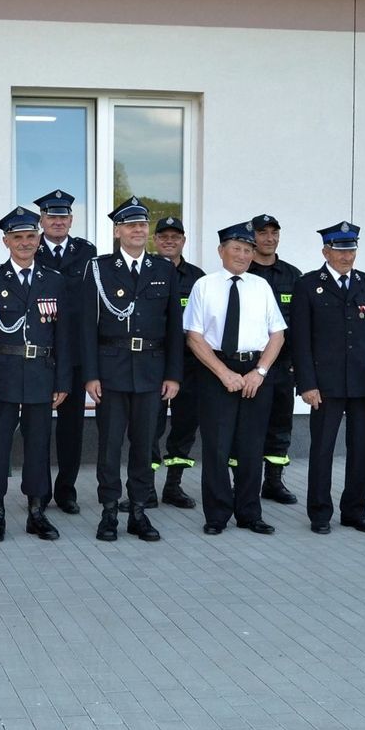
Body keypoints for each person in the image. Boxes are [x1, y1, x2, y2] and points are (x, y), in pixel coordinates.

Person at [81, 197, 183, 542]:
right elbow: (87, 327)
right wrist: (91, 375)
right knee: (109, 446)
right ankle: (109, 511)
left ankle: (138, 510)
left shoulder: (164, 270)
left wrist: (173, 374)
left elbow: (173, 328)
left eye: (142, 225)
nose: (138, 230)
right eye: (131, 225)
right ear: (117, 231)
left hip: (152, 372)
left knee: (144, 446)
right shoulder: (98, 268)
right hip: (111, 370)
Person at [0, 207, 71, 543]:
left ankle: (36, 511)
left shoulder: (54, 281)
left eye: (30, 236)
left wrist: (63, 381)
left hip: (42, 374)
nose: (25, 243)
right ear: (5, 241)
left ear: (39, 239)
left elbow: (63, 337)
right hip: (3, 375)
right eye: (18, 238)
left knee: (39, 445)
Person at [184, 221, 286, 536]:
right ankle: (216, 515)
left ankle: (249, 513)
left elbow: (278, 335)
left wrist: (260, 372)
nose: (242, 255)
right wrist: (224, 372)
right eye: (236, 249)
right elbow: (194, 336)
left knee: (251, 447)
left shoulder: (261, 286)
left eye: (247, 250)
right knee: (216, 446)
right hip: (216, 370)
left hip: (255, 371)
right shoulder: (204, 285)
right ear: (221, 251)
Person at [291, 221, 365, 534]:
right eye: (339, 250)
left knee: (361, 449)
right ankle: (320, 513)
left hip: (362, 381)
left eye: (351, 250)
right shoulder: (308, 284)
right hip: (325, 384)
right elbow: (300, 340)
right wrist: (307, 384)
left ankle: (355, 511)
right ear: (326, 251)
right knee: (322, 449)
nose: (346, 257)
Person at [34, 189, 96, 515]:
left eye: (63, 216)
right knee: (39, 426)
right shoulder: (30, 248)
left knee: (72, 427)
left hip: (73, 355)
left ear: (71, 220)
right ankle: (40, 491)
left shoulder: (87, 252)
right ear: (42, 220)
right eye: (51, 216)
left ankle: (67, 490)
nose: (58, 221)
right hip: (41, 354)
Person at [148, 216, 204, 511]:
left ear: (184, 240)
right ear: (155, 240)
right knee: (149, 427)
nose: (170, 241)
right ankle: (144, 487)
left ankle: (173, 486)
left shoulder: (197, 278)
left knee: (184, 427)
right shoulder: (145, 271)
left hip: (191, 365)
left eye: (176, 236)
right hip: (154, 364)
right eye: (164, 236)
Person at [247, 214, 303, 505]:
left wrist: (299, 362)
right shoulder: (244, 271)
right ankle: (242, 483)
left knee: (280, 426)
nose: (269, 238)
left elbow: (304, 324)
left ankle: (273, 482)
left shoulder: (294, 276)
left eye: (274, 233)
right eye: (263, 233)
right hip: (249, 367)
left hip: (284, 367)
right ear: (252, 236)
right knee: (246, 426)